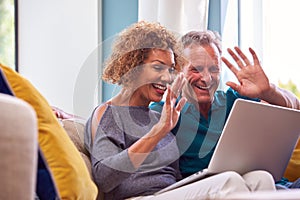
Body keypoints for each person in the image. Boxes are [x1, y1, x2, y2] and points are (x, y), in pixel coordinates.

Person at [84, 21, 276, 200]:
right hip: (142, 197)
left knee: (261, 179)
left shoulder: (159, 115)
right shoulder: (110, 113)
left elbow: (173, 175)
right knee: (230, 182)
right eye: (158, 67)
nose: (167, 77)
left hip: (170, 192)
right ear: (133, 66)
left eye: (170, 69)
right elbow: (104, 177)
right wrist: (158, 131)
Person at [150, 30, 300, 187]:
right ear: (178, 70)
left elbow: (295, 106)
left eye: (214, 69)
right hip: (220, 191)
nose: (207, 78)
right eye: (196, 69)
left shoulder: (234, 99)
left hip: (273, 185)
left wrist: (268, 91)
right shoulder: (164, 112)